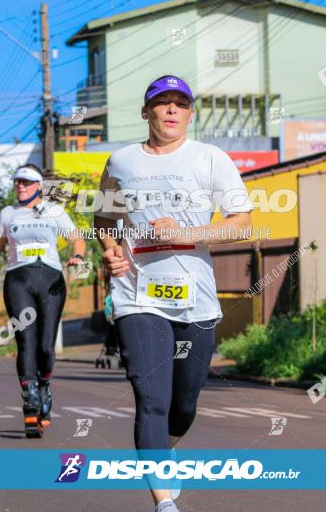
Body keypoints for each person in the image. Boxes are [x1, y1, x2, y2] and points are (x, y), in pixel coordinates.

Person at [94, 75, 253, 512]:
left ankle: (164, 454)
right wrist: (111, 252)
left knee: (184, 403)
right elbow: (104, 220)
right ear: (145, 112)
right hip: (137, 296)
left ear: (189, 113)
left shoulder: (210, 158)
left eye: (179, 104)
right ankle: (164, 503)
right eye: (161, 103)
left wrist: (189, 233)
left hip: (195, 298)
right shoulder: (121, 161)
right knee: (152, 398)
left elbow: (241, 220)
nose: (170, 110)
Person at [0, 164, 86, 438]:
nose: (20, 186)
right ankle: (29, 397)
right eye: (17, 181)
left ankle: (43, 387)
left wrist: (77, 257)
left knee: (45, 347)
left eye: (27, 182)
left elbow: (77, 239)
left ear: (39, 186)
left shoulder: (54, 211)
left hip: (51, 280)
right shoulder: (7, 213)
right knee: (26, 341)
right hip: (18, 280)